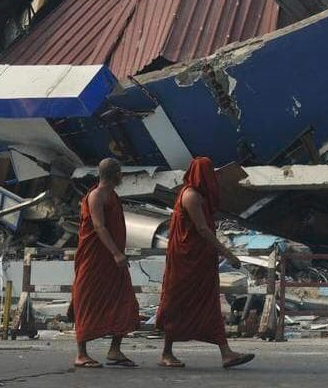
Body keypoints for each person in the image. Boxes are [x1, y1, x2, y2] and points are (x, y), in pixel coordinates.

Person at [155, 157, 255, 369]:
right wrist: (228, 254)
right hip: (186, 262)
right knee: (178, 304)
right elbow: (202, 229)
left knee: (208, 304)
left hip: (201, 261)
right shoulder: (190, 195)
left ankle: (226, 353)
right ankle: (166, 353)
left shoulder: (201, 196)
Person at [71, 158, 141, 368]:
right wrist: (116, 254)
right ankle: (81, 353)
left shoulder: (113, 195)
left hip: (112, 260)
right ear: (114, 174)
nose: (122, 176)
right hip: (96, 258)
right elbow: (99, 227)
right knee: (87, 300)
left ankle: (115, 349)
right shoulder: (96, 196)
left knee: (125, 300)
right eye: (120, 172)